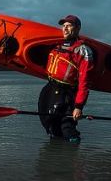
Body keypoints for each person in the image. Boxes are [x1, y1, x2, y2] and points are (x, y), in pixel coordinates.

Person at [38, 15, 95, 143]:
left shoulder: (83, 50)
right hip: (51, 90)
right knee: (51, 125)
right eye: (63, 26)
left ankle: (73, 157)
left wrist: (78, 106)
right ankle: (56, 159)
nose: (65, 29)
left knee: (67, 127)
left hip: (68, 94)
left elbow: (85, 82)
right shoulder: (56, 46)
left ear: (78, 28)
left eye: (69, 26)